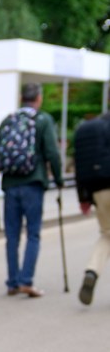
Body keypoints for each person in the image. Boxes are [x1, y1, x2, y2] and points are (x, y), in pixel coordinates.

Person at [0, 82, 63, 297]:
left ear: (21, 98)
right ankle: (26, 281)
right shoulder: (43, 120)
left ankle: (12, 282)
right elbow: (52, 152)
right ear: (39, 98)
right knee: (33, 234)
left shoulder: (9, 120)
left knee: (12, 236)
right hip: (33, 183)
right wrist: (59, 179)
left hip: (10, 184)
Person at [73, 111, 110, 305]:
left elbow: (80, 162)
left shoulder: (88, 127)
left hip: (98, 190)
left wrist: (83, 197)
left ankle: (92, 271)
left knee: (107, 234)